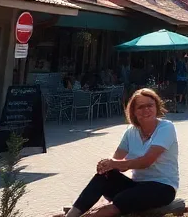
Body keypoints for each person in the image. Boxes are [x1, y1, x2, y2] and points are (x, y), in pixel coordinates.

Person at [58, 88, 178, 217]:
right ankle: (72, 214)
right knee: (105, 175)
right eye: (141, 107)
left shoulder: (166, 127)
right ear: (134, 112)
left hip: (162, 187)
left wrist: (115, 164)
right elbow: (117, 159)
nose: (146, 110)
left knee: (121, 201)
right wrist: (106, 165)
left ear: (156, 106)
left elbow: (146, 162)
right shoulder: (131, 131)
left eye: (150, 105)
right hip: (136, 185)